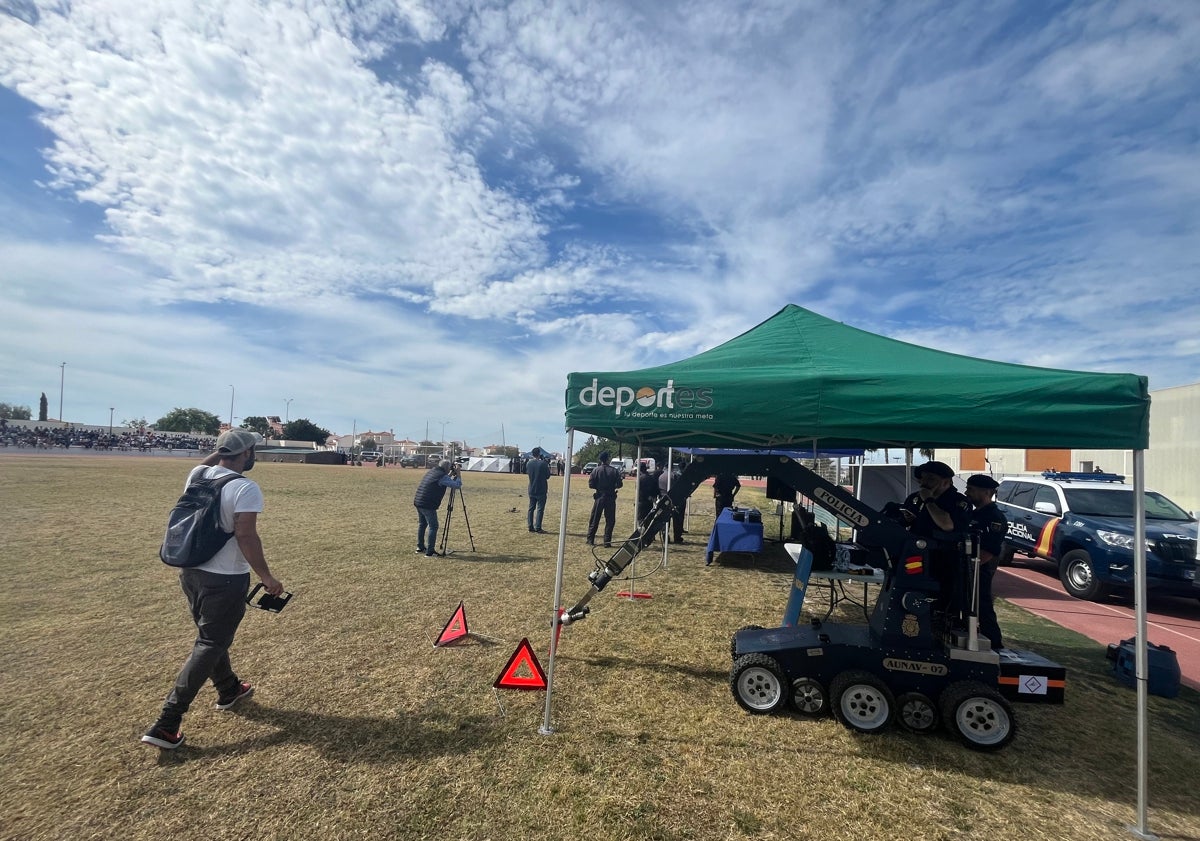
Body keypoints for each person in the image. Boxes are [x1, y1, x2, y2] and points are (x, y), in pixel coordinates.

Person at [141, 429, 284, 750]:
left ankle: (228, 688)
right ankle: (167, 723)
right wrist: (267, 577)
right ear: (246, 453)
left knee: (211, 637)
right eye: (252, 450)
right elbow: (246, 536)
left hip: (190, 572)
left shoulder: (199, 474)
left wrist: (221, 451)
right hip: (226, 578)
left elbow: (209, 465)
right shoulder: (246, 488)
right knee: (210, 642)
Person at [907, 460, 973, 623]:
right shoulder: (916, 499)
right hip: (916, 559)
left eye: (930, 479)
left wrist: (929, 501)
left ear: (946, 482)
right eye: (922, 479)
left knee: (939, 607)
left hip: (945, 563)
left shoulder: (959, 502)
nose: (924, 483)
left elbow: (947, 525)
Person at [965, 474, 1007, 650]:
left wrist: (971, 567)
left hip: (979, 570)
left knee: (982, 607)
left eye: (971, 490)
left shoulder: (994, 518)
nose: (967, 493)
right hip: (968, 568)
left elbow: (989, 551)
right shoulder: (974, 513)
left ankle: (996, 647)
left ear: (986, 492)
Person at [413, 459, 462, 556]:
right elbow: (457, 485)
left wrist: (451, 473)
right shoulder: (442, 476)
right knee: (433, 526)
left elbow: (441, 480)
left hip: (419, 501)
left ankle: (420, 547)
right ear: (446, 468)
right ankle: (430, 552)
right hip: (428, 504)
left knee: (422, 524)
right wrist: (458, 474)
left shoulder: (433, 471)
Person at [586, 451, 623, 547]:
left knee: (595, 518)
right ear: (608, 459)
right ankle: (607, 541)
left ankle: (590, 539)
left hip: (599, 496)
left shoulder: (596, 470)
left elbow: (591, 484)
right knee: (610, 520)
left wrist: (598, 488)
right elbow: (619, 484)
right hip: (610, 497)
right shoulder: (614, 471)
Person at [659, 462, 687, 544]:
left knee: (665, 519)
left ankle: (665, 536)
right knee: (677, 520)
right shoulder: (674, 476)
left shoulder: (661, 476)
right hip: (674, 499)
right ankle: (677, 537)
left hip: (663, 499)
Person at [526, 447, 551, 533]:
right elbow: (548, 476)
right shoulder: (543, 464)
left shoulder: (529, 464)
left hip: (532, 488)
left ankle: (530, 525)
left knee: (531, 508)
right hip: (541, 489)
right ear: (539, 454)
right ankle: (538, 527)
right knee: (540, 509)